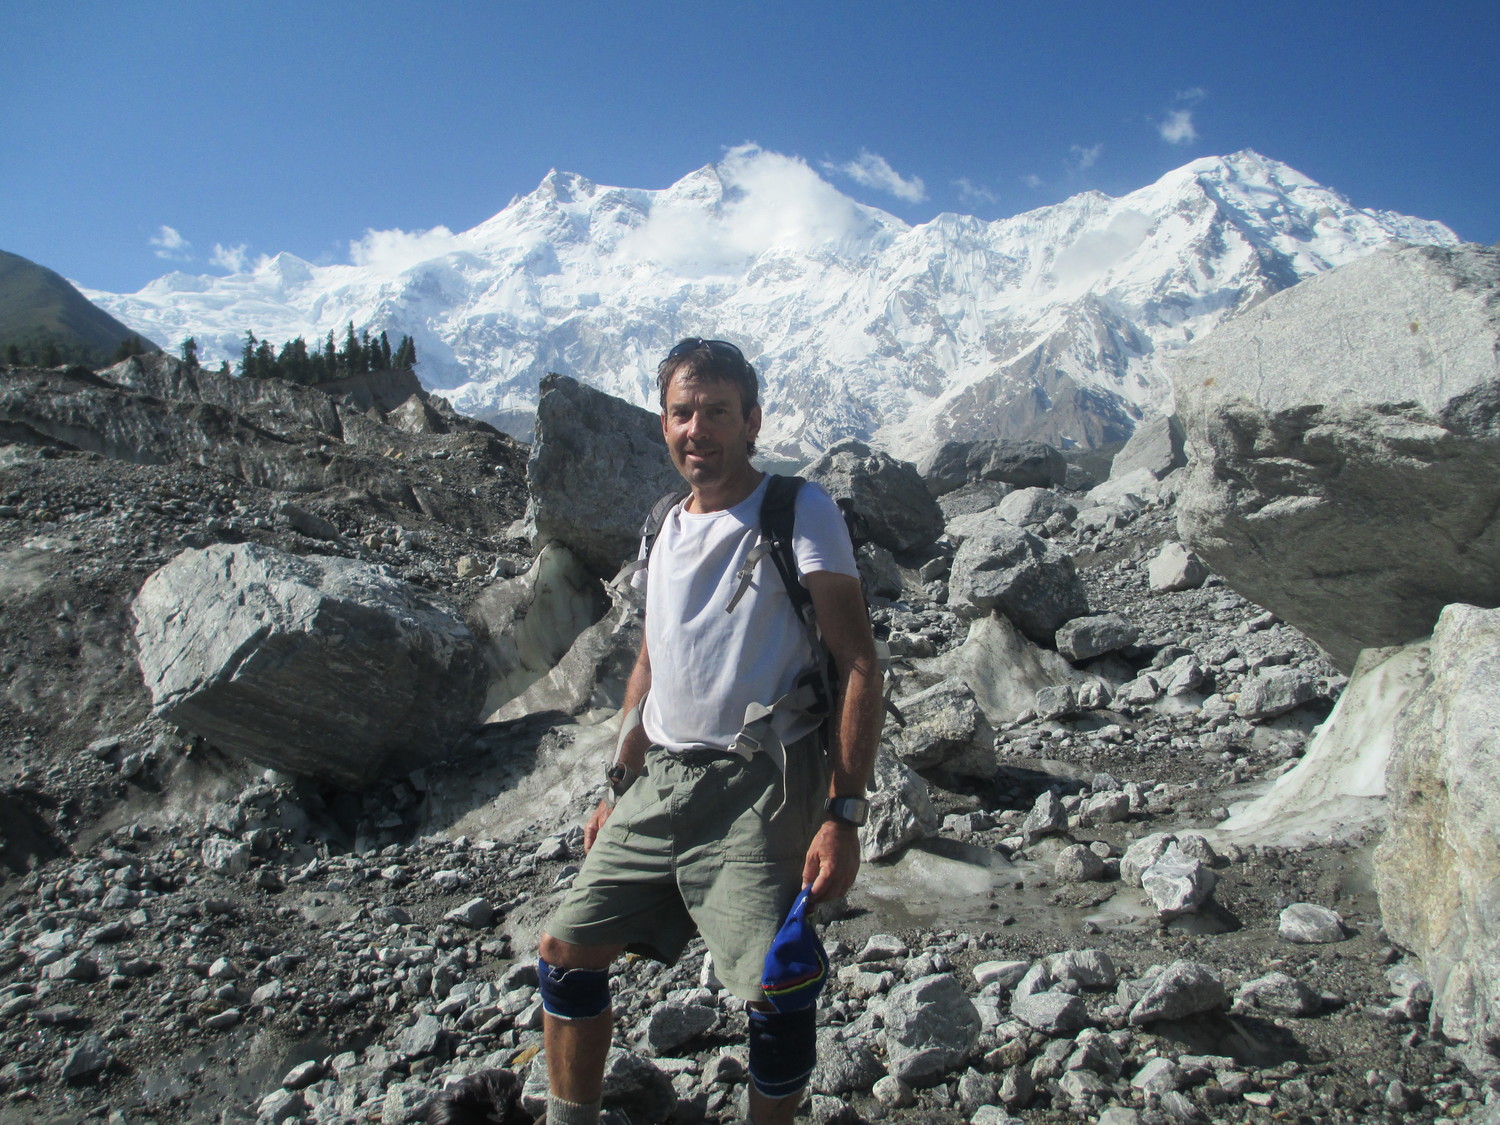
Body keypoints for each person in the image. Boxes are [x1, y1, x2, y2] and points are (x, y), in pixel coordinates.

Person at [536, 338, 883, 1125]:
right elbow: (653, 660)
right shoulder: (662, 524)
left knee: (776, 981)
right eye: (682, 413)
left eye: (717, 413)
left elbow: (857, 659)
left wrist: (844, 813)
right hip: (661, 779)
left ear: (752, 420)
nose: (699, 429)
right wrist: (617, 786)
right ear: (663, 424)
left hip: (762, 780)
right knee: (565, 951)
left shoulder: (798, 509)